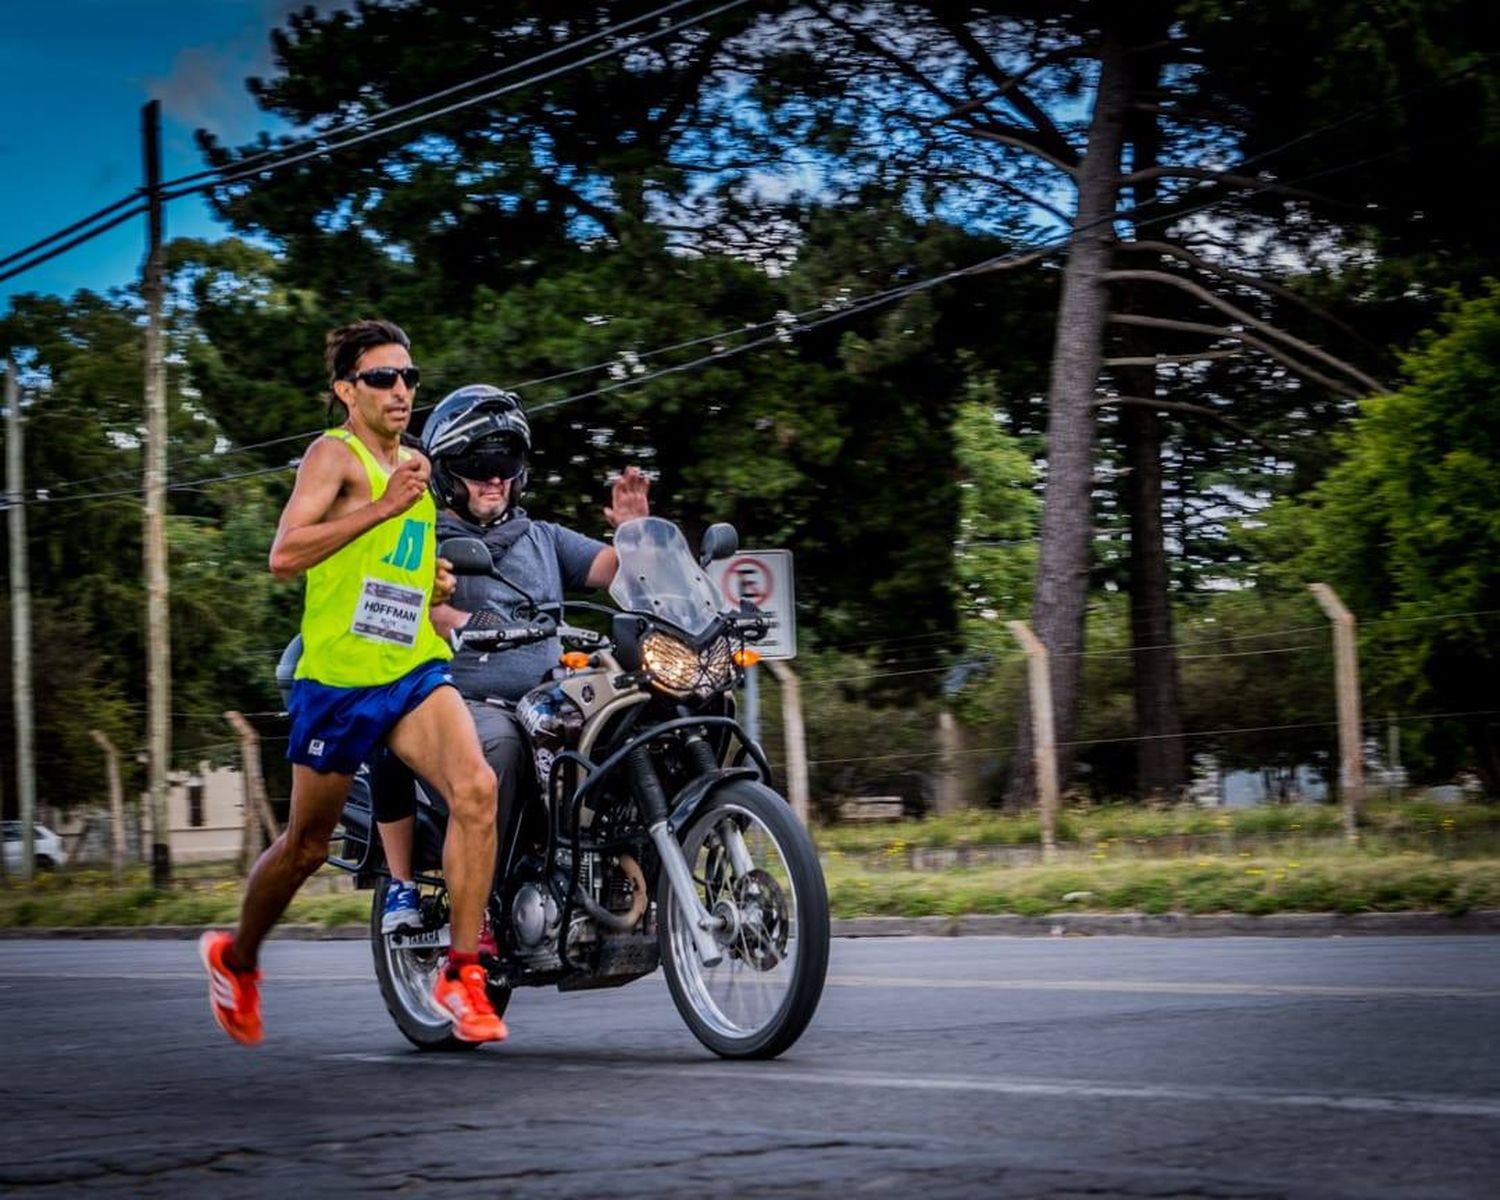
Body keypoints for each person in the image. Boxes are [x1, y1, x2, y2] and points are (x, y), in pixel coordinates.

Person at [199, 320, 507, 1046]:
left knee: (476, 790)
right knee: (306, 846)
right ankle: (236, 959)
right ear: (346, 391)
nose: (400, 389)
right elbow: (285, 554)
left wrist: (432, 579)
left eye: (408, 377)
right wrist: (385, 509)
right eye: (381, 378)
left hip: (408, 672)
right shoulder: (332, 457)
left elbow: (399, 568)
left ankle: (463, 974)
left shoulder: (419, 470)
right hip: (337, 683)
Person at [372, 384, 650, 934]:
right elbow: (420, 607)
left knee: (629, 730)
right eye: (480, 464)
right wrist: (465, 623)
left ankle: (609, 873)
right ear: (450, 470)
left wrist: (634, 531)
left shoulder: (542, 536)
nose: (495, 477)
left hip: (550, 696)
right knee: (499, 748)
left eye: (506, 463)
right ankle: (482, 908)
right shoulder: (423, 535)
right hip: (470, 700)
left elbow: (611, 570)